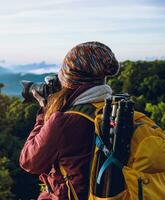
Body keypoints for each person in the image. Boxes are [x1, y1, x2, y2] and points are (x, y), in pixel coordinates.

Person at [19, 41, 120, 200]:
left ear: (71, 80)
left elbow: (28, 161)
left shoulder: (63, 122)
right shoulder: (113, 110)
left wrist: (44, 113)